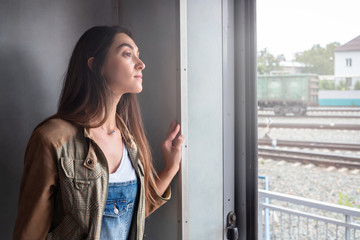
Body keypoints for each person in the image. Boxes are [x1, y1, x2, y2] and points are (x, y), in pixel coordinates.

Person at [12, 25, 184, 240]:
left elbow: (130, 215)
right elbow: (29, 233)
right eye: (127, 54)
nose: (141, 64)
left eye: (137, 56)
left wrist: (171, 168)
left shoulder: (129, 140)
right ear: (96, 66)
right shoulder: (53, 139)